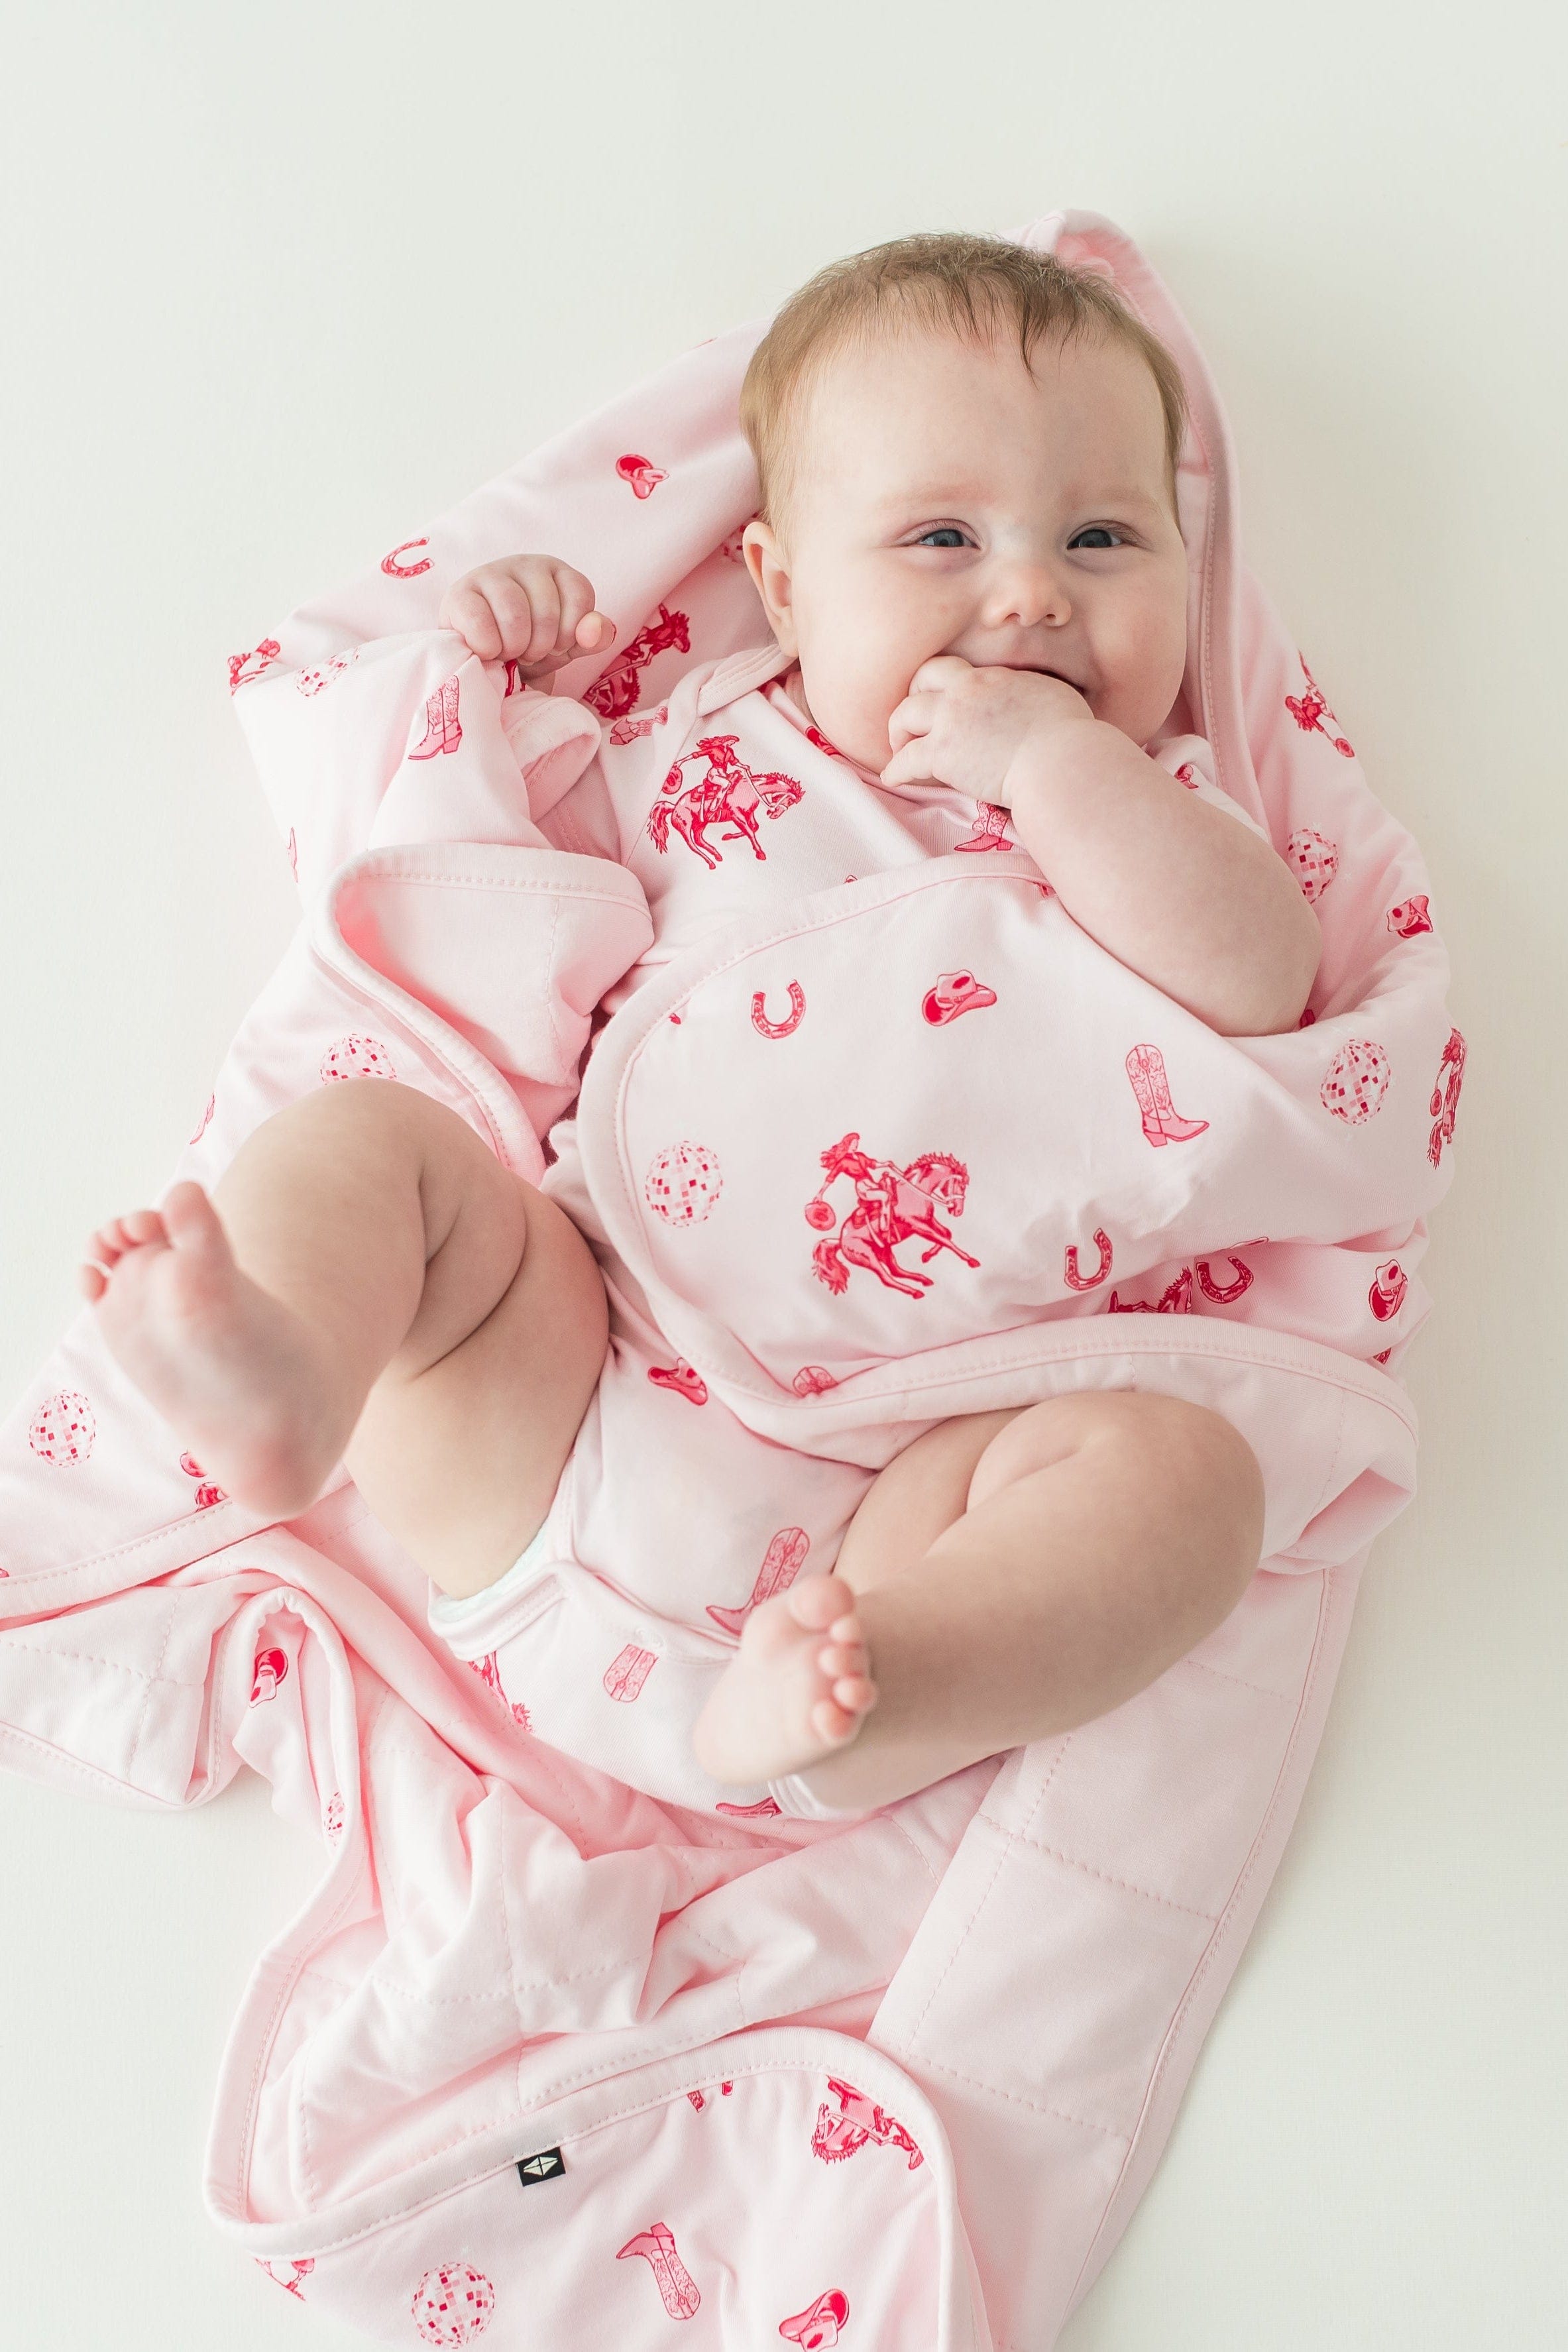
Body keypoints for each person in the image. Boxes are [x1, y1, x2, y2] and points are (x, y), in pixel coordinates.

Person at [76, 233, 1319, 1818]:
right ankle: (290, 1369)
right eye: (941, 536)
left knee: (1189, 1488)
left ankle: (900, 1680)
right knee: (376, 1151)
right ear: (785, 587)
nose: (1027, 592)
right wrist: (494, 675)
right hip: (571, 1375)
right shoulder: (704, 749)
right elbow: (484, 880)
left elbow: (1260, 975)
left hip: (891, 1493)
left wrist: (1055, 770)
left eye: (1100, 538)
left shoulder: (1157, 811)